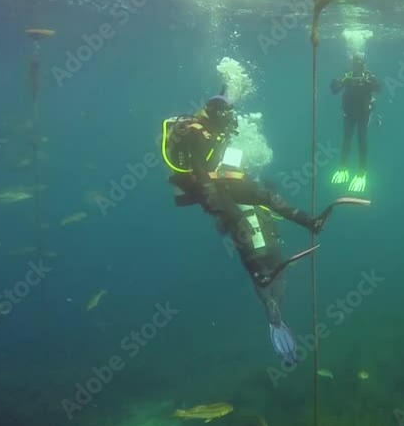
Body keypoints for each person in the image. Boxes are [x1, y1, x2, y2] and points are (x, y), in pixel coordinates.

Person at [161, 89, 368, 364]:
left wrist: (240, 186)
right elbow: (201, 175)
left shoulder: (219, 132)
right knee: (237, 217)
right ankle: (261, 276)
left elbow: (222, 169)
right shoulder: (197, 134)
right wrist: (222, 208)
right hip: (203, 186)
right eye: (225, 115)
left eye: (230, 115)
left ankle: (311, 222)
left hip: (217, 180)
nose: (231, 121)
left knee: (266, 197)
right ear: (213, 114)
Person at [330, 54, 380, 192]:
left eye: (359, 62)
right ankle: (343, 167)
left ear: (363, 64)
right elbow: (335, 90)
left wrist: (369, 82)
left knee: (361, 140)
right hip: (349, 115)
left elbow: (379, 88)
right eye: (355, 62)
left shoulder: (369, 76)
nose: (357, 65)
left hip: (363, 115)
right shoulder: (348, 76)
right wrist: (338, 82)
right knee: (347, 140)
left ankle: (362, 172)